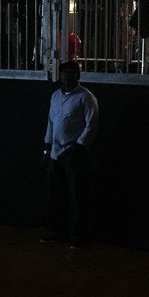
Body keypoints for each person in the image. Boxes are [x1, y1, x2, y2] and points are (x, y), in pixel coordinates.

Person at [41, 60, 99, 248]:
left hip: (74, 153)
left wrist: (78, 146)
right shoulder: (55, 96)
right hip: (56, 153)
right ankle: (57, 230)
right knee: (56, 195)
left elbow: (92, 125)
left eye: (71, 73)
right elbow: (51, 122)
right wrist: (47, 148)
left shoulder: (86, 98)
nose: (67, 77)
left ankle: (79, 235)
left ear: (78, 76)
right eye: (64, 73)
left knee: (78, 195)